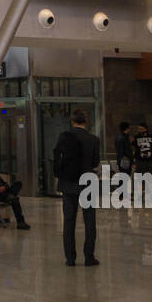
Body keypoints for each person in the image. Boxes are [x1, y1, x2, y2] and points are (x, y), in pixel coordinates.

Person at [53, 109, 99, 266]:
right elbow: (94, 162)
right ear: (86, 122)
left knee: (68, 221)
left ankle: (70, 258)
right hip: (87, 183)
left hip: (68, 183)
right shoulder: (93, 139)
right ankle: (89, 257)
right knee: (89, 221)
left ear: (72, 121)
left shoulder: (64, 137)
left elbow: (58, 157)